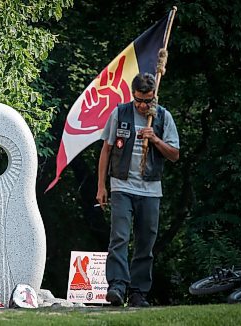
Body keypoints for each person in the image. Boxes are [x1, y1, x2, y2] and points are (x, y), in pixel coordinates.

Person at [96, 72, 179, 307]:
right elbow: (106, 150)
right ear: (133, 95)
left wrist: (155, 139)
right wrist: (101, 186)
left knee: (146, 242)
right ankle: (117, 287)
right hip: (121, 185)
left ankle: (138, 293)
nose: (142, 106)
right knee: (119, 237)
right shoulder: (119, 113)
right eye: (139, 100)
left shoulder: (163, 117)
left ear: (154, 97)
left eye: (147, 101)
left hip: (151, 189)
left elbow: (174, 155)